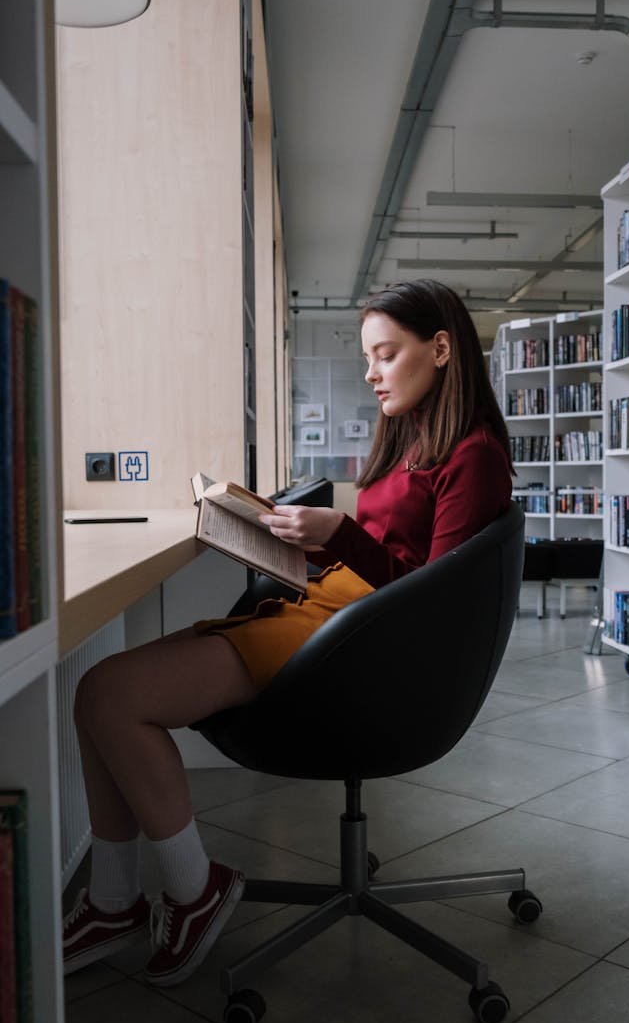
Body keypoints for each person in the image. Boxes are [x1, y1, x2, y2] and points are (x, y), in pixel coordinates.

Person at [63, 278, 514, 986]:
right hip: (336, 615)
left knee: (110, 697)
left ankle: (191, 890)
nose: (370, 373)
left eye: (385, 354)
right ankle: (113, 900)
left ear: (442, 348)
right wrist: (302, 544)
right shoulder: (417, 436)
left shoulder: (473, 454)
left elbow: (430, 595)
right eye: (369, 357)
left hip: (356, 642)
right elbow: (395, 557)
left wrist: (338, 534)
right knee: (97, 692)